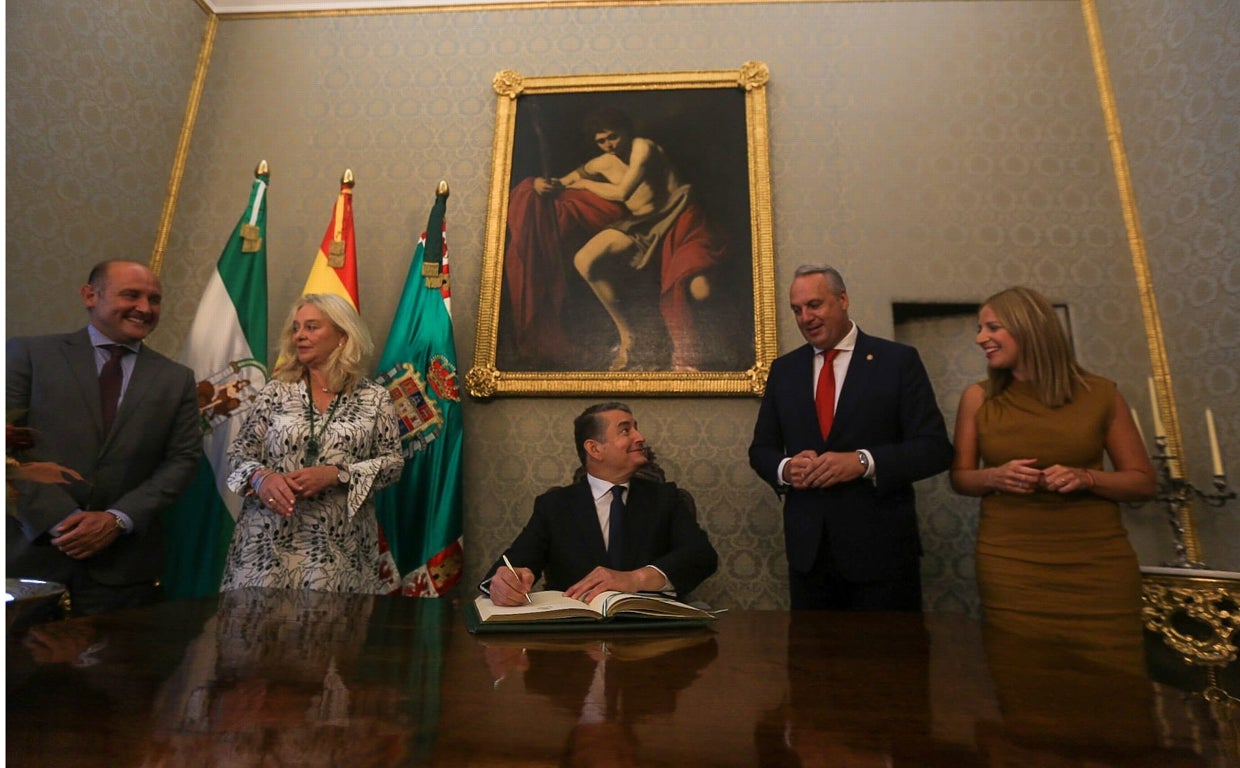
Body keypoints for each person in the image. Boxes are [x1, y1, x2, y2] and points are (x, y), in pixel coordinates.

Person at [949, 286, 1156, 639]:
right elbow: (960, 478)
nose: (981, 338)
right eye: (979, 329)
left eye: (992, 327)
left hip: (1098, 564)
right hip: (1011, 564)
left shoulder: (1101, 393)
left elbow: (1143, 482)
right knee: (1020, 675)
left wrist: (1087, 478)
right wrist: (994, 477)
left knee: (1114, 680)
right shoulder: (978, 398)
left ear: (1028, 327)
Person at [748, 264, 953, 611]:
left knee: (890, 663)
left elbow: (934, 449)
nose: (805, 318)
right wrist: (786, 469)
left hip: (882, 554)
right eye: (797, 310)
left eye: (814, 305)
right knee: (810, 664)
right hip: (810, 556)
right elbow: (761, 450)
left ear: (843, 300)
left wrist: (863, 462)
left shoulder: (896, 361)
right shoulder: (784, 371)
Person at [6, 260, 201, 615]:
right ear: (89, 296)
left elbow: (183, 460)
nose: (144, 308)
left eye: (154, 299)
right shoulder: (27, 355)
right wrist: (61, 521)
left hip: (123, 572)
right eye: (131, 295)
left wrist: (116, 519)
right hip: (28, 561)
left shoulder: (177, 379)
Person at [503, 107, 725, 371]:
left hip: (679, 218)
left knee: (700, 291)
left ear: (627, 132)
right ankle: (628, 336)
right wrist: (538, 184)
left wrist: (584, 184)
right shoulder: (602, 163)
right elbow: (561, 183)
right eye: (601, 140)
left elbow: (622, 193)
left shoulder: (644, 147)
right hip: (643, 224)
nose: (608, 145)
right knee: (585, 260)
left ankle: (695, 353)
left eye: (613, 137)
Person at [221, 293, 403, 594]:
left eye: (311, 327)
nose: (299, 336)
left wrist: (337, 474)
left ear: (342, 336)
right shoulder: (275, 391)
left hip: (339, 550)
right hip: (265, 545)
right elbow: (239, 453)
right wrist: (261, 477)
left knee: (330, 636)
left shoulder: (375, 398)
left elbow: (393, 464)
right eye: (296, 328)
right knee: (258, 635)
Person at [483, 401, 718, 606]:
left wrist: (635, 579)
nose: (640, 437)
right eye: (626, 430)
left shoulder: (666, 498)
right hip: (574, 639)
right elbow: (512, 566)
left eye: (636, 428)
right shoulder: (554, 506)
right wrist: (504, 584)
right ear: (595, 449)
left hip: (650, 634)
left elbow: (702, 556)